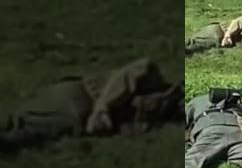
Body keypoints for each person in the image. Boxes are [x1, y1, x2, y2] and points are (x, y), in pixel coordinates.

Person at [0, 58, 183, 152]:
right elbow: (138, 68)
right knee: (24, 129)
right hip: (79, 98)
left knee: (21, 124)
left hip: (79, 113)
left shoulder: (157, 123)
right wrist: (102, 109)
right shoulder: (153, 79)